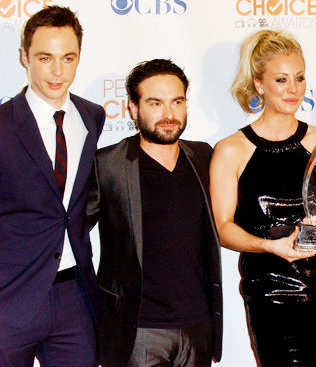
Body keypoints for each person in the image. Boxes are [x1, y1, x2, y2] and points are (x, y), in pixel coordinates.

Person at [209, 29, 316, 367]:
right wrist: (269, 245)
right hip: (270, 289)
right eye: (281, 80)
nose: (293, 89)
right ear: (259, 84)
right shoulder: (230, 150)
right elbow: (224, 228)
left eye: (300, 79)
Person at [87, 59, 223, 367]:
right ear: (133, 109)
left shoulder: (204, 156)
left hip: (197, 328)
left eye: (177, 102)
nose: (169, 115)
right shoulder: (106, 165)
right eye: (155, 103)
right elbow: (68, 231)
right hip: (138, 332)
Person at [0, 6, 105, 366]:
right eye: (45, 58)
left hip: (74, 295)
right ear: (24, 57)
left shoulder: (92, 116)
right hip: (9, 296)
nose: (57, 71)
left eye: (68, 58)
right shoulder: (2, 124)